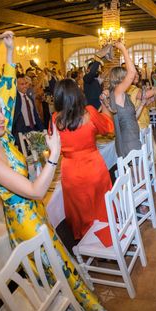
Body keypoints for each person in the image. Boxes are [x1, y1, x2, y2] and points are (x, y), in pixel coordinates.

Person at [0, 31, 107, 311]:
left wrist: (10, 53)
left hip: (35, 216)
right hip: (26, 224)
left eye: (2, 112)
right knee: (57, 271)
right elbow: (34, 190)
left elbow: (8, 90)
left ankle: (86, 306)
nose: (3, 118)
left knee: (62, 262)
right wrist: (53, 155)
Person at [53, 78, 114, 240]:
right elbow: (108, 127)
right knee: (101, 206)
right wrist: (106, 106)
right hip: (94, 167)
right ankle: (109, 237)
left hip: (70, 171)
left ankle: (86, 242)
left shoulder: (54, 119)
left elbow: (54, 148)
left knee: (80, 210)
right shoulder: (89, 112)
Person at [107, 42, 141, 158]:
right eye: (125, 76)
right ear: (121, 78)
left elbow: (132, 117)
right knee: (137, 175)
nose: (129, 78)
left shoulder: (123, 94)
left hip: (132, 138)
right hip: (128, 143)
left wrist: (143, 104)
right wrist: (123, 49)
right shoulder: (118, 92)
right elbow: (132, 73)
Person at [11, 74, 44, 144]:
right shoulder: (15, 99)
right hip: (23, 131)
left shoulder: (29, 98)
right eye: (22, 84)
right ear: (16, 86)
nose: (25, 86)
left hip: (34, 129)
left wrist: (43, 129)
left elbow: (35, 115)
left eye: (25, 83)